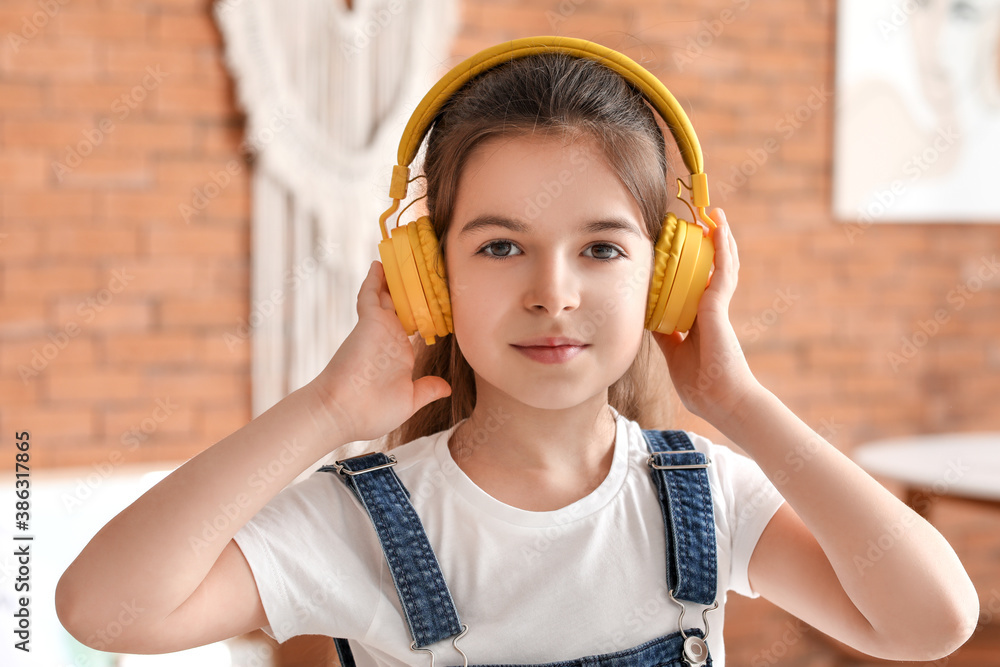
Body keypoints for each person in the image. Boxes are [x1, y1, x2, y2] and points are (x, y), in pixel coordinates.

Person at [56, 40, 979, 667]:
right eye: (499, 245)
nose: (554, 291)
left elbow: (935, 619)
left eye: (603, 247)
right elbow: (103, 607)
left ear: (671, 277)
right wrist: (326, 413)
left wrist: (737, 402)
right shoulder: (361, 523)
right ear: (427, 277)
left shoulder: (702, 493)